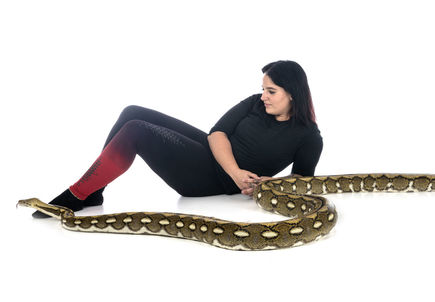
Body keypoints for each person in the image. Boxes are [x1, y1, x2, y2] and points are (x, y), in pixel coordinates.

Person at [32, 60, 323, 218]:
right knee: (132, 111)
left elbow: (301, 183)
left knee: (135, 129)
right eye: (263, 89)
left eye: (271, 91)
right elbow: (217, 133)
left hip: (208, 180)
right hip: (215, 157)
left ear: (292, 93)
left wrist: (260, 183)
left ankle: (76, 195)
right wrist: (235, 171)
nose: (263, 96)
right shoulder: (254, 103)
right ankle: (96, 190)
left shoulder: (309, 136)